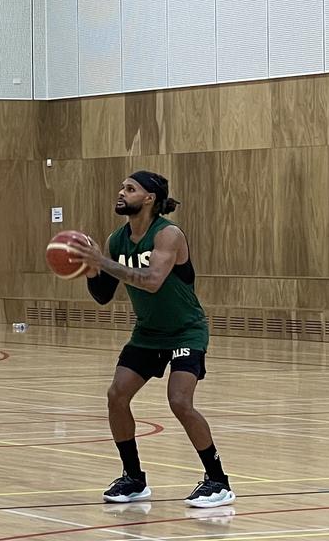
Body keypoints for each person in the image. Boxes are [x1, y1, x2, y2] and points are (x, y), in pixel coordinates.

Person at [66, 171, 235, 510]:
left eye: (130, 188)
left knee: (179, 401)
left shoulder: (168, 235)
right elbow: (103, 296)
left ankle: (218, 481)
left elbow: (152, 281)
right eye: (121, 186)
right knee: (117, 395)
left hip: (186, 329)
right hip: (148, 332)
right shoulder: (117, 238)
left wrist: (104, 262)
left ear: (149, 198)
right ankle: (133, 478)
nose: (121, 191)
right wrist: (92, 270)